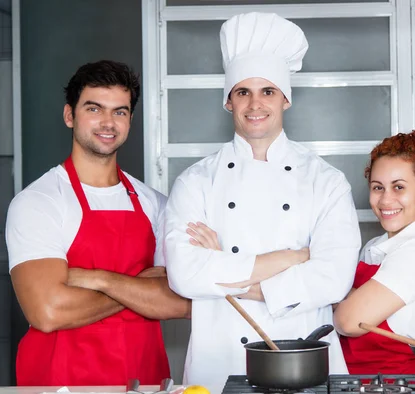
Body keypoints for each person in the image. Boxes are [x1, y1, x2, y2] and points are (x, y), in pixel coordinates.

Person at [164, 12, 361, 392]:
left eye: (267, 91)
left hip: (303, 357)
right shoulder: (195, 181)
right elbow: (184, 274)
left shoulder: (326, 180)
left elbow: (334, 279)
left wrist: (224, 271)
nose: (255, 104)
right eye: (243, 92)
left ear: (285, 99)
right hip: (218, 361)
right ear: (228, 102)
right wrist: (294, 257)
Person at [6, 60, 191, 386]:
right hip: (61, 381)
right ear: (69, 115)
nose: (108, 122)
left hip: (143, 378)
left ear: (130, 121)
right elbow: (47, 311)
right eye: (94, 109)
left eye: (119, 112)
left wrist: (97, 280)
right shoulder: (39, 202)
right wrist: (140, 286)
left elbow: (180, 302)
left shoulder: (155, 204)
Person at [334, 126, 415, 374]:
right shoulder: (375, 247)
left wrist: (338, 298)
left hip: (400, 386)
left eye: (399, 187)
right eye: (378, 187)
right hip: (359, 385)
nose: (386, 200)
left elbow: (348, 321)